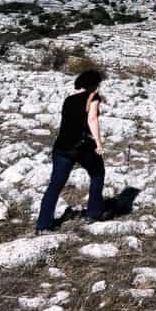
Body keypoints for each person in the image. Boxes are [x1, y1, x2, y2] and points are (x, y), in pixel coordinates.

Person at [35, 69, 108, 232]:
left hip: (61, 147)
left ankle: (43, 225)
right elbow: (92, 119)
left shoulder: (68, 99)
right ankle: (94, 213)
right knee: (98, 174)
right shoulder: (93, 98)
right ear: (94, 84)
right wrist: (98, 143)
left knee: (55, 185)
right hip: (81, 146)